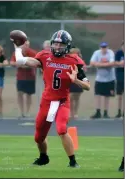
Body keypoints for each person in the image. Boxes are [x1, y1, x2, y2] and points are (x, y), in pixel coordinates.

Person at [14, 30, 90, 167]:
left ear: (67, 46)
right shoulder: (44, 56)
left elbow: (88, 86)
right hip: (47, 102)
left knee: (61, 129)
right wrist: (18, 48)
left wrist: (76, 81)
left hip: (62, 101)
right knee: (39, 137)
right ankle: (43, 157)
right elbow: (20, 61)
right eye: (55, 44)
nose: (57, 47)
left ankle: (73, 162)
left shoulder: (74, 61)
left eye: (61, 45)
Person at [10, 41, 37, 118]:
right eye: (24, 45)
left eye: (27, 45)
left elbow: (34, 63)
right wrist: (20, 64)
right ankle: (22, 112)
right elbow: (12, 62)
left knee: (29, 95)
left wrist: (23, 64)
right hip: (20, 77)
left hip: (30, 77)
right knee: (20, 93)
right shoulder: (17, 53)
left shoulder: (32, 53)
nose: (25, 46)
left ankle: (27, 112)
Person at [90, 42, 116, 119]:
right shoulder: (97, 53)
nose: (104, 49)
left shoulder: (110, 53)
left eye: (105, 47)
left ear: (107, 47)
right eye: (102, 47)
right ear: (100, 47)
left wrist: (99, 64)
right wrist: (105, 64)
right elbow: (92, 63)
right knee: (97, 95)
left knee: (107, 96)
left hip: (110, 78)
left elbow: (112, 63)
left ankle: (106, 112)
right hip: (99, 78)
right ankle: (98, 112)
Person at [69, 47, 87, 119]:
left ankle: (76, 113)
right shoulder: (68, 60)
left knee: (77, 97)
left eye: (76, 53)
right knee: (70, 97)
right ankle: (71, 113)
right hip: (71, 80)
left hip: (79, 80)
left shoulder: (81, 61)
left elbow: (85, 69)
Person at [114, 41, 124, 118]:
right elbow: (115, 62)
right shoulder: (118, 53)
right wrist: (120, 63)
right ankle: (119, 111)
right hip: (120, 75)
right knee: (119, 95)